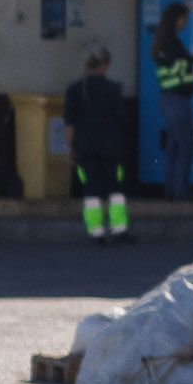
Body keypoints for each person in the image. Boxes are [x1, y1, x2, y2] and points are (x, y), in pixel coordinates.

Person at [63, 42, 131, 244]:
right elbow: (121, 120)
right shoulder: (114, 89)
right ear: (105, 65)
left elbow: (69, 124)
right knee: (115, 188)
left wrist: (71, 148)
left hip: (85, 146)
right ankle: (119, 229)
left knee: (91, 189)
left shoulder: (75, 90)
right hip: (111, 145)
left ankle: (96, 232)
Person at [150, 2, 193, 196]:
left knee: (173, 147)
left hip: (167, 100)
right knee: (185, 146)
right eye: (185, 18)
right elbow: (180, 66)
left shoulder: (163, 42)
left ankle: (171, 190)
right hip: (178, 102)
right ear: (177, 19)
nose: (186, 22)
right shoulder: (173, 43)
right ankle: (181, 191)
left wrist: (192, 59)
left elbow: (176, 64)